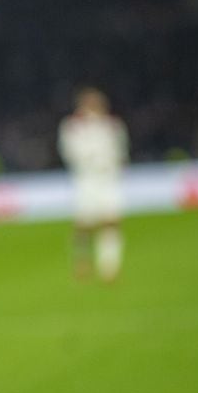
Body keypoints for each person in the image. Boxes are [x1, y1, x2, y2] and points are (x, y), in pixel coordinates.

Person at [57, 87, 128, 282]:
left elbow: (121, 152)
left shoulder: (112, 125)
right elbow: (69, 152)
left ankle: (109, 267)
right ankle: (82, 263)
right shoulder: (72, 126)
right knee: (84, 225)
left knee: (111, 222)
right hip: (85, 179)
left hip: (109, 178)